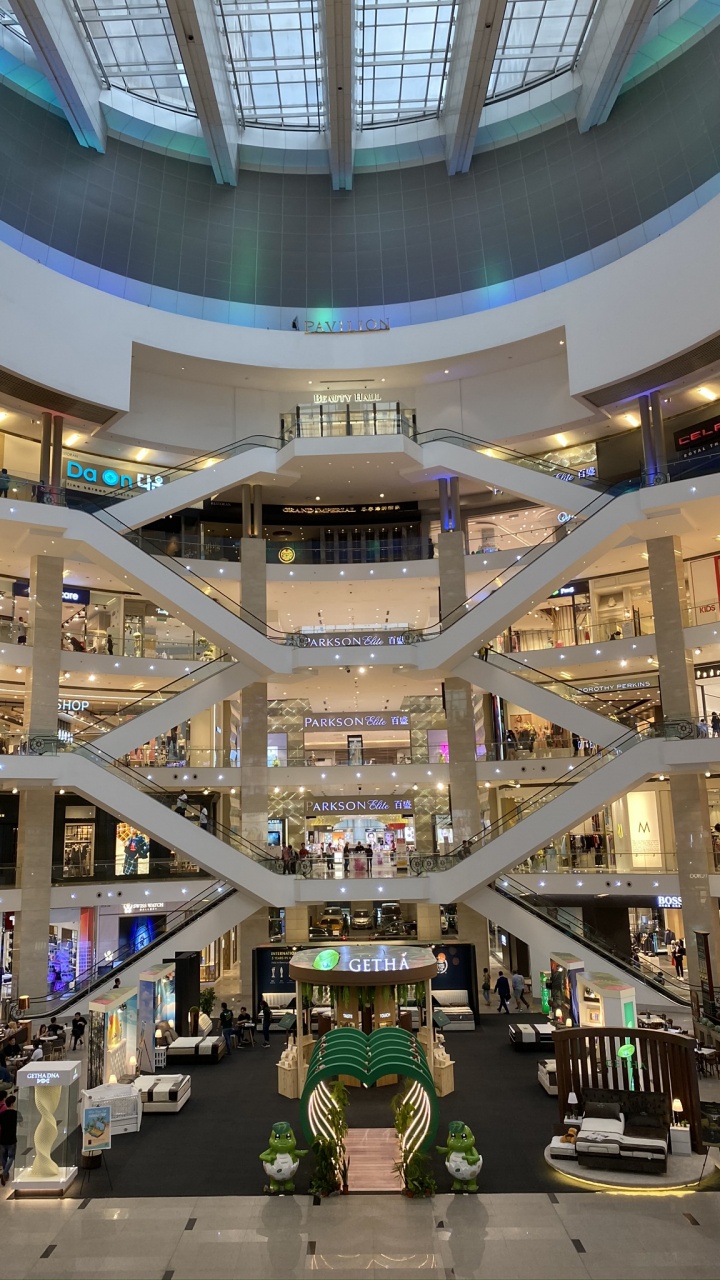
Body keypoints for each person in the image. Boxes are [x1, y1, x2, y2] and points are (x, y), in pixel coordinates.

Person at [0, 1094, 17, 1185]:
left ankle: (5, 1174)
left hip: (2, 1138)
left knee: (3, 1157)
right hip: (11, 1138)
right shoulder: (15, 1114)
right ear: (12, 1104)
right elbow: (21, 1121)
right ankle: (5, 1172)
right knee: (11, 1157)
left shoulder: (2, 1114)